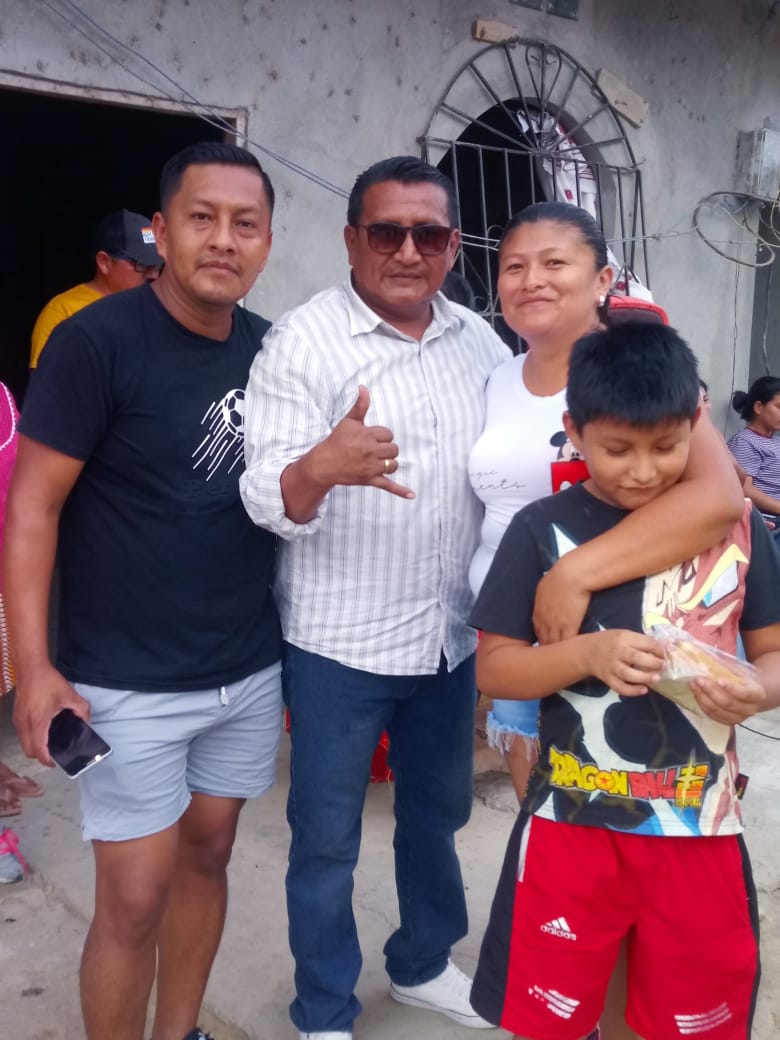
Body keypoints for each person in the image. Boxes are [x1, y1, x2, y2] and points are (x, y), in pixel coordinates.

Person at [4, 142, 282, 1040]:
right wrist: (35, 670)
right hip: (124, 681)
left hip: (245, 669)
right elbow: (32, 510)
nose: (223, 239)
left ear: (267, 242)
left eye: (245, 224)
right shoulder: (95, 343)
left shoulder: (272, 352)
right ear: (161, 231)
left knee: (210, 857)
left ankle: (182, 1030)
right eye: (202, 218)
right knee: (131, 900)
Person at [240, 155, 510, 1039]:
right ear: (352, 239)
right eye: (387, 232)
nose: (407, 251)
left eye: (428, 234)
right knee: (325, 838)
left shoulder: (480, 342)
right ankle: (324, 1007)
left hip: (447, 639)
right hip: (339, 647)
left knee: (437, 816)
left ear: (453, 245)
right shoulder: (304, 342)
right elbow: (264, 496)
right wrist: (320, 466)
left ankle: (424, 962)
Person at [469, 322, 780, 1040]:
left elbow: (772, 654)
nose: (642, 471)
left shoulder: (738, 532)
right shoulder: (541, 530)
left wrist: (760, 691)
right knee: (558, 1011)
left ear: (696, 424)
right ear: (574, 429)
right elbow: (496, 667)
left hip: (699, 823)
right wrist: (588, 654)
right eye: (617, 450)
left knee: (682, 1014)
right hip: (571, 821)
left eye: (666, 447)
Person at [469, 202, 744, 808]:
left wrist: (573, 573)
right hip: (515, 634)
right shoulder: (497, 377)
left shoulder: (639, 375)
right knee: (546, 817)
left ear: (603, 279)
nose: (531, 280)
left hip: (612, 632)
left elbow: (719, 497)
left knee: (620, 803)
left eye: (554, 263)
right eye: (514, 267)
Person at [30, 208, 163, 368]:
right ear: (104, 262)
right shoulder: (63, 312)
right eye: (143, 265)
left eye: (157, 266)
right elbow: (47, 381)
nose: (153, 275)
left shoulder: (158, 310)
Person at [727, 375, 780, 519]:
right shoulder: (744, 441)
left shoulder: (776, 441)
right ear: (758, 407)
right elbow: (744, 488)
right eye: (779, 407)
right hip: (768, 519)